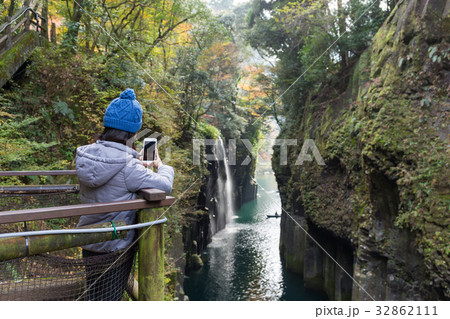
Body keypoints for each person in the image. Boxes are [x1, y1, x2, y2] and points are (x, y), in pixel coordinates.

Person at [75, 88, 174, 300]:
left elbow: (111, 167)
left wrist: (132, 161)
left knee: (93, 297)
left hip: (89, 242)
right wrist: (160, 164)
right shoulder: (131, 167)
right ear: (133, 134)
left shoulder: (84, 155)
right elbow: (165, 185)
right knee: (110, 300)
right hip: (116, 246)